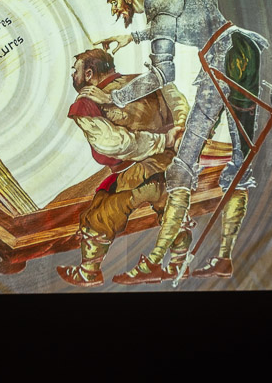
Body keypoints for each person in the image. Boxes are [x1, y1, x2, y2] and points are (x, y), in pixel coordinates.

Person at [79, 0, 269, 284]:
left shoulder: (159, 0)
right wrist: (131, 37)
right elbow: (181, 26)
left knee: (184, 166)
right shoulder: (165, 1)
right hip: (239, 51)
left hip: (224, 61)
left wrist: (113, 98)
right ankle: (223, 259)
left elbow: (163, 74)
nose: (113, 8)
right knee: (238, 163)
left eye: (113, 1)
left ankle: (154, 263)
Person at [57, 48, 192, 287]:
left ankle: (89, 273)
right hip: (172, 167)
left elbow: (114, 143)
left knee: (100, 214)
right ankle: (178, 264)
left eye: (74, 71)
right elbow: (178, 101)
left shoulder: (86, 104)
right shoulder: (145, 81)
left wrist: (162, 141)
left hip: (138, 175)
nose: (72, 76)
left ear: (89, 74)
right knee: (172, 212)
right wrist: (179, 128)